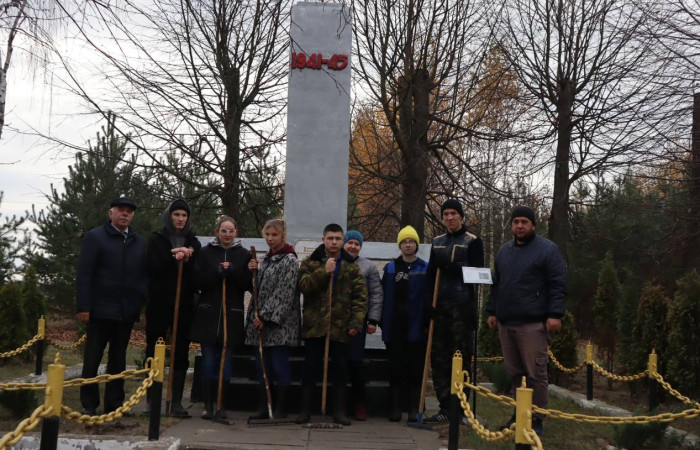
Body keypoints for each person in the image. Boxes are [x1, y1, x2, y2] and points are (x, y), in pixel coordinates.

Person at [485, 206, 567, 436]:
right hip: (506, 323)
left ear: (533, 225)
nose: (520, 226)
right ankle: (519, 415)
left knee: (535, 374)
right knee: (515, 374)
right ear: (511, 225)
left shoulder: (547, 250)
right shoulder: (504, 251)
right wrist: (492, 311)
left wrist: (555, 314)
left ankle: (537, 419)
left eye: (524, 222)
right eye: (516, 222)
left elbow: (558, 283)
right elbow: (497, 284)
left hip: (533, 324)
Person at [76, 197, 147, 416]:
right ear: (111, 213)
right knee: (92, 359)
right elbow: (84, 273)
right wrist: (84, 306)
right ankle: (89, 404)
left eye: (129, 211)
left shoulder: (138, 241)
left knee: (118, 360)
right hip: (100, 310)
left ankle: (114, 403)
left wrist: (140, 301)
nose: (125, 214)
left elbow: (142, 275)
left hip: (126, 312)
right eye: (121, 210)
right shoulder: (95, 237)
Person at [296, 223, 367, 426]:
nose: (334, 242)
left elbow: (360, 298)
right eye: (330, 238)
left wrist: (356, 322)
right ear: (323, 240)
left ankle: (338, 412)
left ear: (342, 240)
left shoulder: (352, 267)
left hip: (340, 327)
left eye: (337, 238)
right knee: (310, 368)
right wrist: (324, 271)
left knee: (340, 370)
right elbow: (304, 286)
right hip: (315, 326)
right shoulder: (310, 263)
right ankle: (305, 411)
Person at [425, 199, 484, 424]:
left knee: (460, 357)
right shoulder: (437, 242)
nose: (450, 217)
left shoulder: (473, 241)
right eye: (446, 214)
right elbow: (431, 275)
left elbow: (478, 274)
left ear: (461, 216)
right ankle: (444, 408)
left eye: (453, 213)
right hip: (440, 307)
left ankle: (460, 408)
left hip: (462, 306)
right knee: (439, 357)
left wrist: (451, 266)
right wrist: (428, 301)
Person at [190, 215, 252, 421]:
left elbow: (247, 284)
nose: (227, 234)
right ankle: (208, 404)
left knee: (225, 363)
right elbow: (197, 281)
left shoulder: (243, 255)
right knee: (208, 362)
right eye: (223, 230)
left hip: (231, 316)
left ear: (236, 233)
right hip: (208, 316)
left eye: (231, 231)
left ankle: (221, 405)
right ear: (217, 232)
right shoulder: (205, 253)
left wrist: (233, 272)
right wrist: (217, 273)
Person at [144, 199, 201, 417]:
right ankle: (152, 399)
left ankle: (176, 401)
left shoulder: (193, 241)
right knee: (154, 349)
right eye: (176, 214)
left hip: (183, 304)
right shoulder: (157, 239)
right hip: (159, 303)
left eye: (184, 215)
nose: (180, 219)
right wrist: (174, 256)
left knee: (180, 351)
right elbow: (153, 268)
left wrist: (189, 255)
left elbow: (196, 272)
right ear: (169, 216)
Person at [245, 219, 301, 420]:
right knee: (263, 367)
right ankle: (264, 406)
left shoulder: (289, 261)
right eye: (267, 234)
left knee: (279, 366)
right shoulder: (266, 260)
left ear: (283, 236)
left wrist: (265, 317)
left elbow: (284, 293)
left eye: (274, 235)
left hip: (279, 326)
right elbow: (257, 290)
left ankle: (281, 409)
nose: (270, 238)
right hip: (260, 324)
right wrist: (253, 271)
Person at [380, 225, 429, 422]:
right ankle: (395, 407)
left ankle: (413, 407)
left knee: (415, 368)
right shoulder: (391, 268)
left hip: (417, 326)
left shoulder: (425, 268)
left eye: (411, 241)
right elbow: (383, 296)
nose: (408, 245)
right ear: (400, 245)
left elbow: (429, 296)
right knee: (395, 367)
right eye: (404, 242)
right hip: (395, 326)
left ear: (416, 244)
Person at [342, 230, 383, 421]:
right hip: (337, 321)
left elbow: (376, 294)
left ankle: (359, 403)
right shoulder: (336, 262)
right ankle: (341, 403)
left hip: (359, 321)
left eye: (356, 244)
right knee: (340, 364)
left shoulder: (368, 266)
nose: (353, 246)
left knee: (356, 362)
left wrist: (373, 320)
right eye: (350, 242)